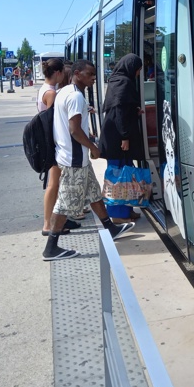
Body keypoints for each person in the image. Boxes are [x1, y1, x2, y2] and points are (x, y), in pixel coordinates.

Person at [43, 59, 134, 261]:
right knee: (65, 204)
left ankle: (110, 228)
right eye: (90, 74)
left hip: (74, 157)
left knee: (93, 192)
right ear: (76, 74)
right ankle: (51, 247)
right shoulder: (75, 96)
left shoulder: (64, 91)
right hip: (74, 160)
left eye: (94, 74)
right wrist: (93, 147)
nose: (94, 78)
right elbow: (74, 130)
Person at [99, 54, 145, 223]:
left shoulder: (117, 80)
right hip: (117, 138)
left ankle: (127, 210)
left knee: (127, 173)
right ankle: (117, 215)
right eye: (138, 70)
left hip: (117, 134)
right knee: (118, 175)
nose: (138, 74)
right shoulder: (124, 83)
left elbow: (123, 109)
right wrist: (125, 137)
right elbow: (119, 112)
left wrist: (134, 111)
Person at [37, 57, 80, 236]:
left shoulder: (46, 89)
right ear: (58, 73)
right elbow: (53, 121)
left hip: (49, 143)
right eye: (63, 72)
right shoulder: (51, 93)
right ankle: (48, 224)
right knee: (53, 184)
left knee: (56, 184)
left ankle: (56, 220)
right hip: (52, 144)